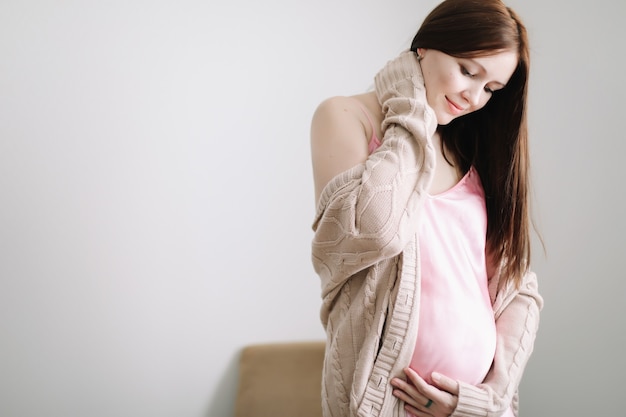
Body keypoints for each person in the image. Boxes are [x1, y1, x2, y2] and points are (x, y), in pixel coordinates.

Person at [309, 0, 544, 416]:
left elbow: (517, 290)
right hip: (384, 404)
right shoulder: (347, 116)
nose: (473, 97)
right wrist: (410, 110)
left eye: (491, 89)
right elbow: (371, 230)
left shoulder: (469, 145)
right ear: (426, 46)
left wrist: (485, 400)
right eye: (468, 71)